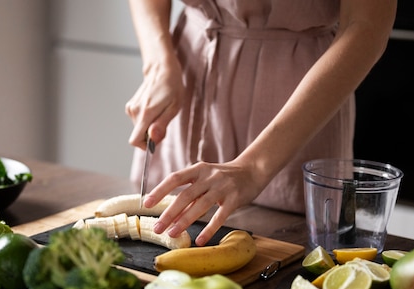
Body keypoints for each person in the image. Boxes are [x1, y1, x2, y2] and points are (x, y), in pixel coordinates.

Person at [125, 0, 397, 246]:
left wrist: (254, 168)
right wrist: (158, 64)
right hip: (189, 74)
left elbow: (366, 24)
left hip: (301, 100)